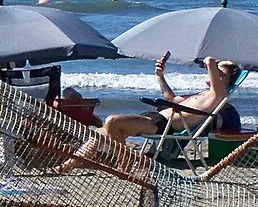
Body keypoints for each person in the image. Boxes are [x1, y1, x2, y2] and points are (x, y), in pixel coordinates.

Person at [96, 55, 242, 142]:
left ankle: (124, 166)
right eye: (217, 72)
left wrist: (211, 63)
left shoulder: (217, 97)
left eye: (221, 73)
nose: (216, 74)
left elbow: (210, 63)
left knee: (113, 121)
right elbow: (171, 98)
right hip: (154, 117)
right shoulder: (200, 95)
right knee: (97, 134)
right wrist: (160, 76)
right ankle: (73, 164)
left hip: (161, 125)